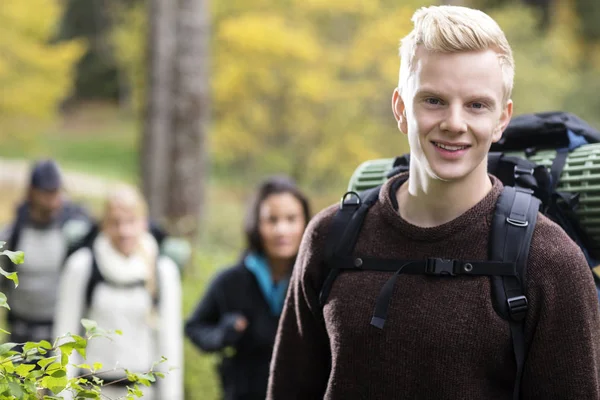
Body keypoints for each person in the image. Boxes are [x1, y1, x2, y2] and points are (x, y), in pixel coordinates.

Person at [267, 5, 600, 400]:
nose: (454, 123)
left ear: (501, 120)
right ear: (400, 109)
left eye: (476, 105)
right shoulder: (330, 239)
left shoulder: (549, 260)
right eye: (433, 101)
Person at [185, 176, 311, 400]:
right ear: (256, 224)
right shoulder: (231, 281)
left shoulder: (315, 280)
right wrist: (222, 334)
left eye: (291, 219)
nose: (281, 230)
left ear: (306, 222)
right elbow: (194, 327)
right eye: (272, 220)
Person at [53, 185, 183, 400]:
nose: (124, 231)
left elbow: (170, 345)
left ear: (143, 222)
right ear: (104, 225)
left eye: (131, 221)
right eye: (115, 222)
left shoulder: (163, 271)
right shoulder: (82, 266)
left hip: (142, 393)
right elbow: (65, 338)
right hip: (91, 392)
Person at [0, 159, 91, 344]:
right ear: (32, 192)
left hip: (60, 332)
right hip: (19, 332)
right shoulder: (13, 233)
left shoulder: (73, 230)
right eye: (47, 192)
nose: (53, 199)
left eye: (56, 191)